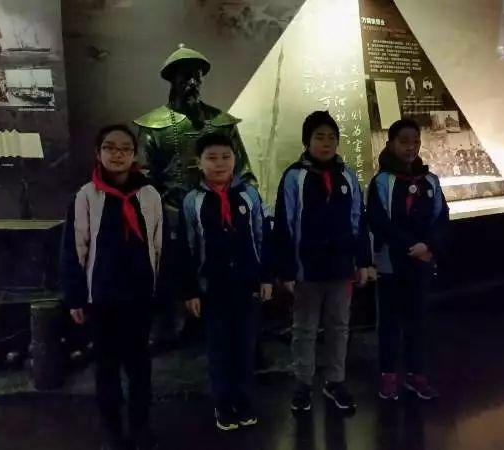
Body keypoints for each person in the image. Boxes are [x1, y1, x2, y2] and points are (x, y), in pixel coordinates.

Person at [133, 44, 255, 350]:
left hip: (219, 211)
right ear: (172, 79)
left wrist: (250, 208)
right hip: (171, 212)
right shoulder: (153, 126)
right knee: (172, 270)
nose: (192, 82)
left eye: (197, 76)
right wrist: (161, 210)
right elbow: (144, 177)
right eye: (185, 76)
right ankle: (171, 327)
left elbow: (243, 171)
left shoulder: (220, 122)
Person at [60, 125, 163, 450]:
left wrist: (161, 291)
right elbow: (74, 247)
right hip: (102, 298)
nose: (117, 154)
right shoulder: (86, 195)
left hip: (140, 297)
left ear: (134, 155)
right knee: (106, 369)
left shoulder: (149, 195)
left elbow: (160, 245)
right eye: (110, 147)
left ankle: (141, 428)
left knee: (140, 367)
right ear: (98, 152)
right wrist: (75, 296)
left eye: (125, 148)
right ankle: (112, 431)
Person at [274, 111, 371, 414]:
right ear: (307, 141)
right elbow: (284, 223)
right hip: (307, 269)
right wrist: (287, 269)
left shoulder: (348, 176)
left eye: (331, 137)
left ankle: (335, 381)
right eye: (319, 137)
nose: (326, 143)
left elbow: (358, 220)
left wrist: (363, 261)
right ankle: (303, 384)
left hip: (341, 267)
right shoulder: (294, 176)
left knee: (339, 326)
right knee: (304, 328)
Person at [177, 133, 273, 431]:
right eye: (212, 157)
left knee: (245, 347)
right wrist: (190, 290)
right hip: (212, 288)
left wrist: (266, 277)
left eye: (225, 157)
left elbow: (262, 237)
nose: (219, 163)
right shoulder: (192, 201)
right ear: (199, 162)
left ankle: (244, 401)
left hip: (247, 285)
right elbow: (186, 248)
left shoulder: (249, 195)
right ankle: (222, 403)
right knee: (219, 349)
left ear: (235, 160)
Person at [366, 119, 449, 402]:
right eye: (404, 142)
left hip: (421, 261)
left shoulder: (430, 180)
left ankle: (416, 375)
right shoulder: (381, 182)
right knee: (389, 322)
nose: (410, 147)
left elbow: (441, 217)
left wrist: (429, 245)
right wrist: (410, 246)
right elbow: (379, 221)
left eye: (415, 142)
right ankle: (388, 377)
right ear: (390, 144)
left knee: (418, 320)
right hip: (391, 263)